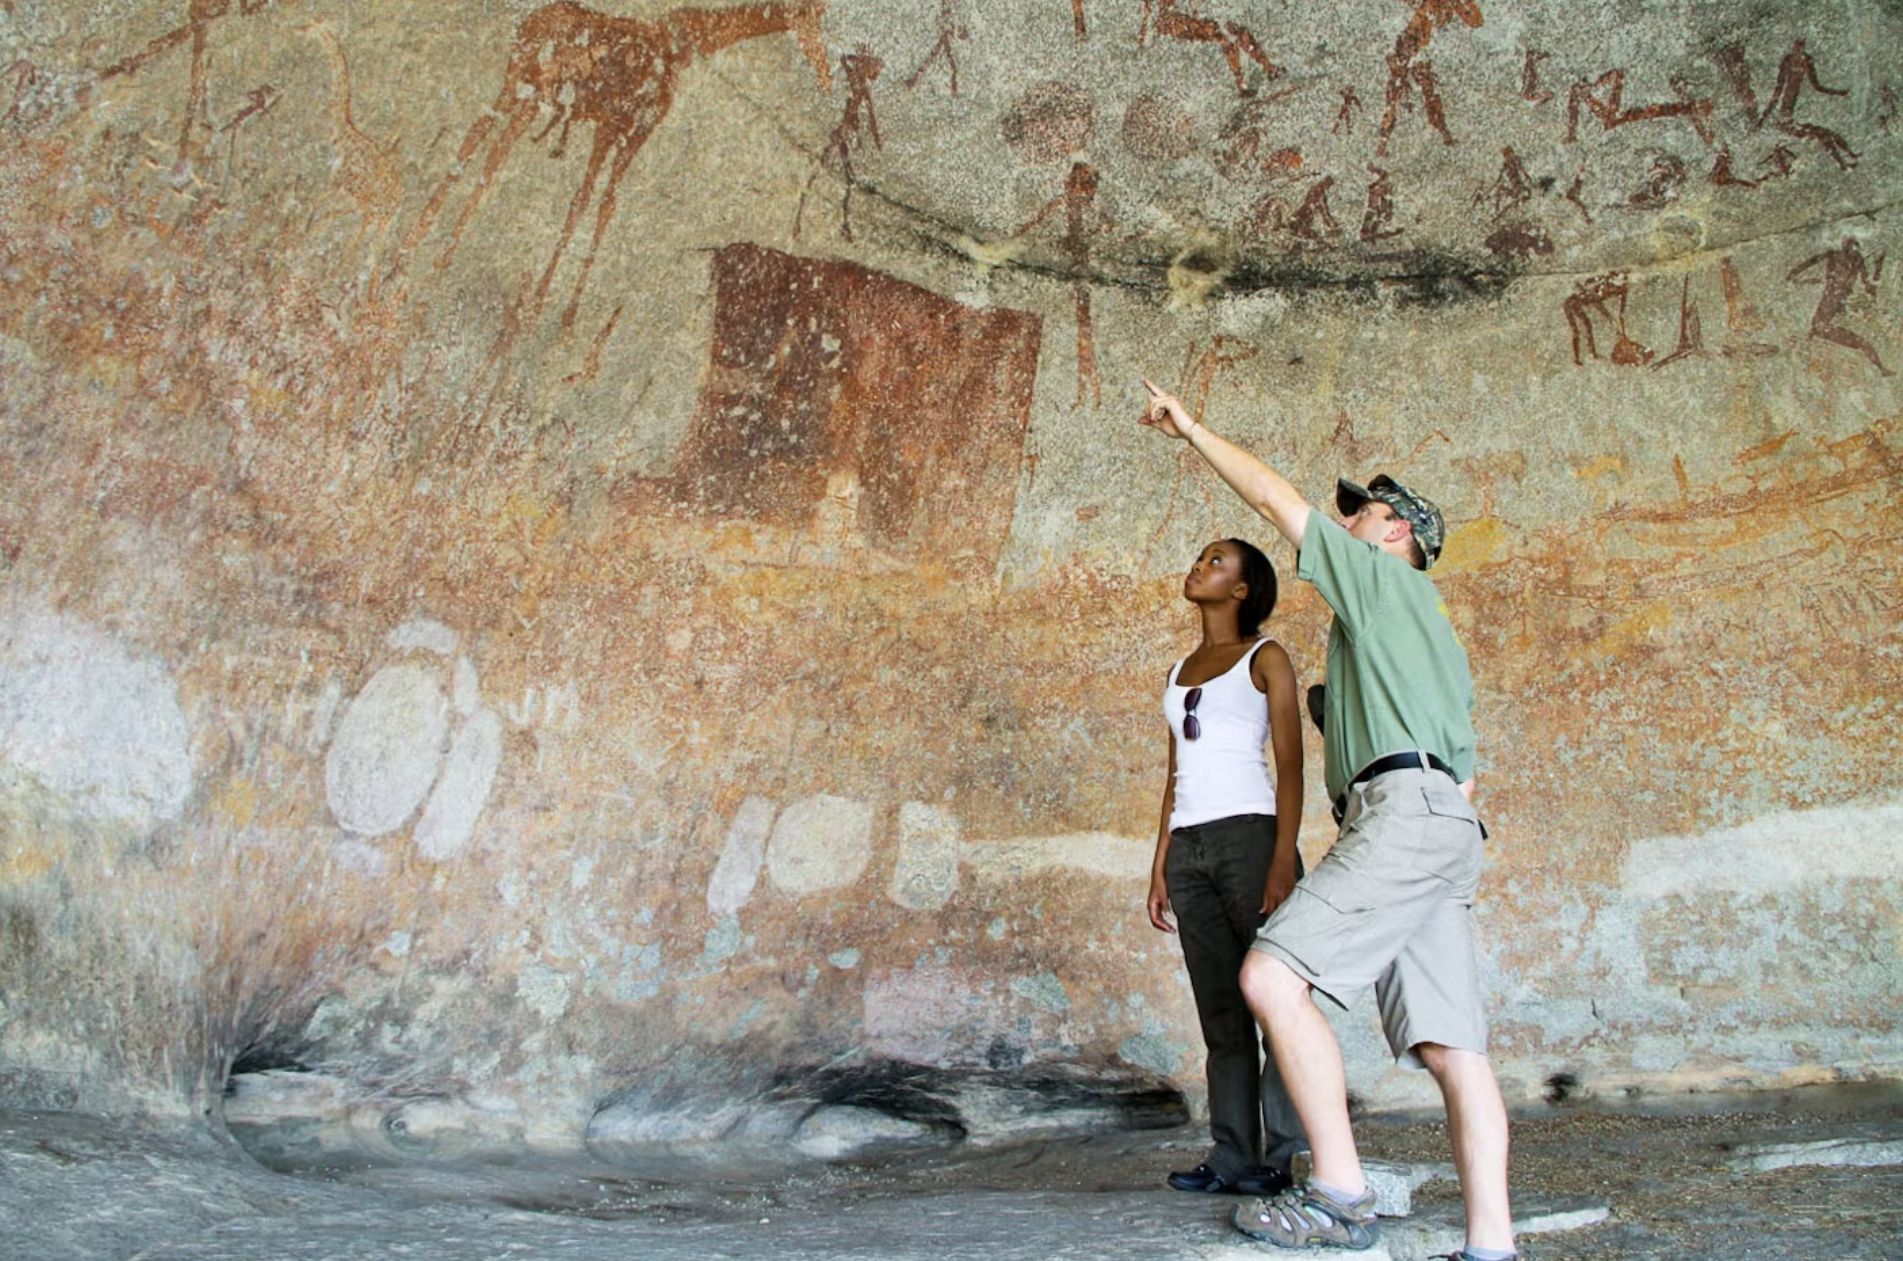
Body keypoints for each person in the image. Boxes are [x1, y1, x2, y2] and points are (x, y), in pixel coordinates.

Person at [1138, 380, 1516, 1261]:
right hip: (1439, 823)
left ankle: (1338, 1193)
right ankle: (1492, 1248)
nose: (1347, 522)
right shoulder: (1412, 636)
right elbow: (1461, 777)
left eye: (1365, 512)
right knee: (1455, 1049)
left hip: (1400, 815)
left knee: (1270, 978)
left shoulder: (1385, 584)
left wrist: (1191, 427)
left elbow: (1274, 500)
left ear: (1399, 536)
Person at [1147, 538, 1307, 1198]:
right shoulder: (1179, 667)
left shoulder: (1265, 657)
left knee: (1279, 1005)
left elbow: (1292, 764)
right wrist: (1159, 866)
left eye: (1216, 562)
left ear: (1241, 590)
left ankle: (1291, 1152)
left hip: (1251, 838)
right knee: (1220, 1015)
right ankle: (1232, 1153)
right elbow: (1172, 773)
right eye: (1201, 557)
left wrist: (1281, 859)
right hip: (1190, 848)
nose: (1198, 565)